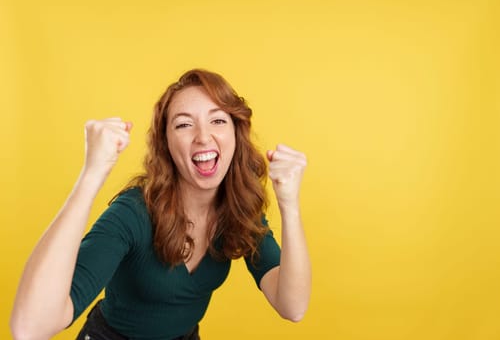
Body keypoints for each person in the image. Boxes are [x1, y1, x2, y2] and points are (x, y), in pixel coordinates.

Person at [10, 69, 311, 340]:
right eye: (183, 125)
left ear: (236, 134)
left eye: (218, 120)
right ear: (166, 143)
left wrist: (290, 206)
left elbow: (292, 306)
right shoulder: (133, 214)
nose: (203, 137)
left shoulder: (238, 211)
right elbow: (30, 328)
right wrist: (91, 176)